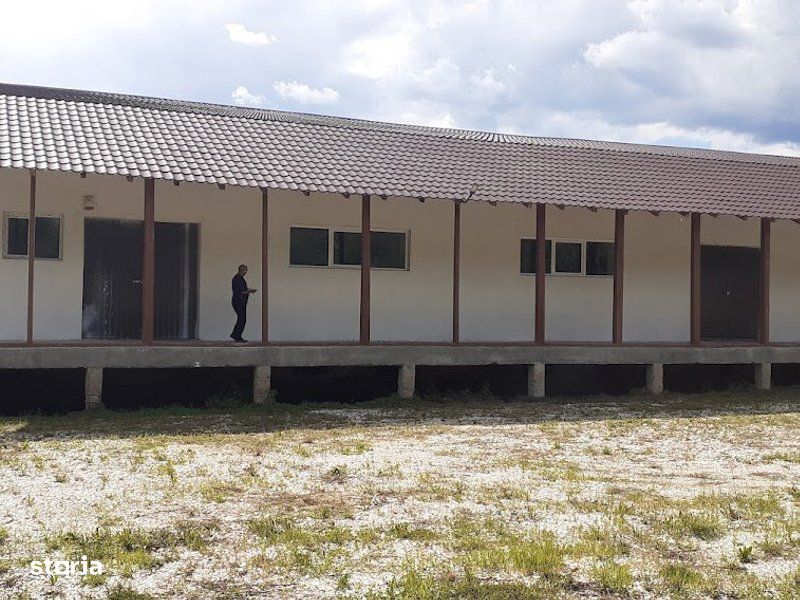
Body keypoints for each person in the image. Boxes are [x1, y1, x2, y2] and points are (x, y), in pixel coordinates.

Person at [230, 264, 257, 342]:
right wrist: (250, 291)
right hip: (238, 302)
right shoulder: (238, 279)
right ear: (241, 270)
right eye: (245, 270)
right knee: (242, 319)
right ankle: (236, 336)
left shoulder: (239, 279)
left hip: (240, 302)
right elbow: (241, 292)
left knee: (241, 319)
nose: (246, 272)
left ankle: (236, 335)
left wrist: (248, 291)